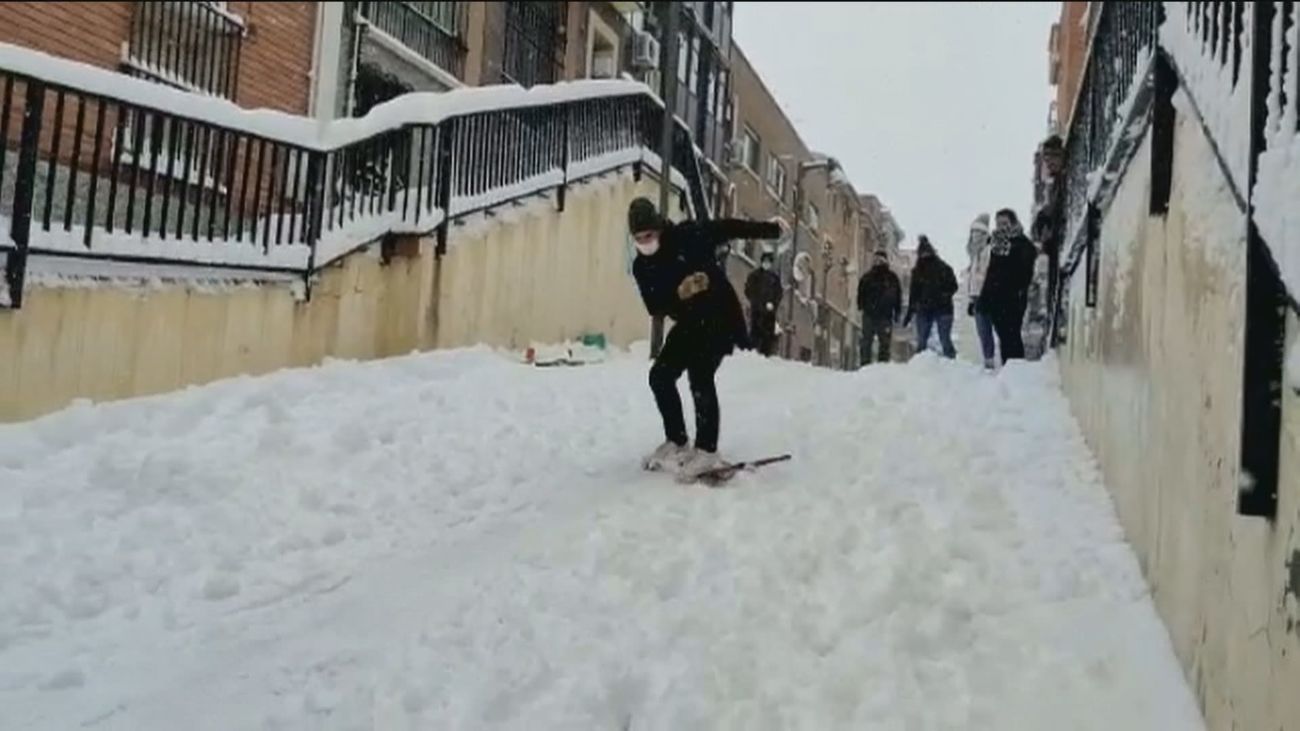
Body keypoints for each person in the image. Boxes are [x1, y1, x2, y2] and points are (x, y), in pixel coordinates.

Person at [627, 197, 787, 480]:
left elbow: (728, 227)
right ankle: (677, 441)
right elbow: (655, 307)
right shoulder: (642, 267)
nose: (645, 242)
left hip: (720, 316)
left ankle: (707, 450)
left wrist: (770, 230)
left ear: (659, 229)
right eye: (639, 239)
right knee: (660, 376)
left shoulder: (689, 236)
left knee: (700, 375)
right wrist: (680, 292)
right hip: (689, 322)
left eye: (649, 236)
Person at [979, 208, 1038, 362]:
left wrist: (1017, 290)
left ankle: (1015, 369)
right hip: (995, 300)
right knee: (1004, 339)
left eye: (1005, 223)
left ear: (1013, 223)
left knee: (1011, 337)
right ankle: (1008, 369)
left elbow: (1025, 273)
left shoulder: (1023, 244)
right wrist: (983, 299)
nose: (1001, 227)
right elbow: (991, 274)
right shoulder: (997, 244)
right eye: (998, 224)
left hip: (1013, 300)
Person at [902, 236, 958, 359]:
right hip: (929, 309)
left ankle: (950, 364)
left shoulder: (942, 268)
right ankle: (948, 362)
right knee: (930, 340)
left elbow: (953, 286)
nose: (924, 256)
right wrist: (909, 314)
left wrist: (943, 296)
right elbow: (913, 295)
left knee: (938, 340)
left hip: (939, 308)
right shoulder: (919, 271)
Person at [856, 250, 902, 365]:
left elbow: (898, 296)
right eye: (876, 260)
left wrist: (897, 312)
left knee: (884, 344)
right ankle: (865, 366)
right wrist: (860, 305)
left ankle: (882, 369)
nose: (878, 262)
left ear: (885, 261)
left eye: (880, 260)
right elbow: (861, 292)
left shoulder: (892, 278)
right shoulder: (867, 277)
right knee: (866, 342)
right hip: (869, 315)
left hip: (885, 316)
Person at [965, 213, 998, 370]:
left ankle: (1002, 363)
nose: (974, 237)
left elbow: (989, 277)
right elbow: (973, 281)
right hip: (978, 299)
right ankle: (989, 361)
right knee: (983, 332)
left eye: (977, 234)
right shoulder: (975, 256)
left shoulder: (990, 252)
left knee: (995, 330)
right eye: (972, 234)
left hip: (990, 297)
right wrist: (971, 300)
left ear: (985, 235)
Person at [744, 251, 783, 357]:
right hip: (756, 310)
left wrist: (773, 304)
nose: (766, 264)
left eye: (769, 262)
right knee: (755, 333)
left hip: (769, 312)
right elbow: (748, 290)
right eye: (765, 261)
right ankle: (752, 354)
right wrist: (757, 302)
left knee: (768, 335)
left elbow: (779, 293)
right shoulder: (754, 276)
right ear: (761, 262)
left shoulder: (775, 278)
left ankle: (766, 355)